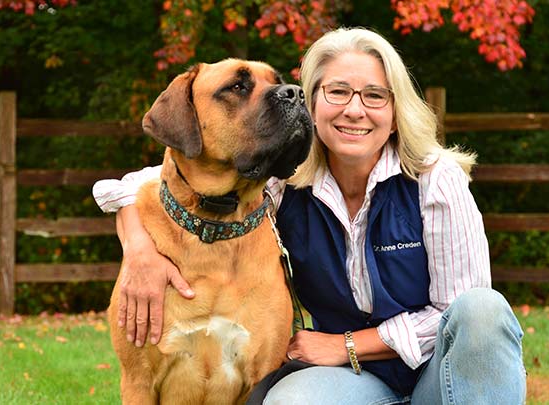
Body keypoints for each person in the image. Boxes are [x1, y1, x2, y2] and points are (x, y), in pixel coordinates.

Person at [93, 27, 525, 404]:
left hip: (444, 382)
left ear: (396, 113)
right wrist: (139, 250)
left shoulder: (436, 180)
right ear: (315, 105)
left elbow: (459, 314)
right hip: (357, 385)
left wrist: (346, 345)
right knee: (290, 400)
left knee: (483, 309)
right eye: (337, 92)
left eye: (374, 95)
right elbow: (136, 185)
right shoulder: (285, 182)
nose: (355, 109)